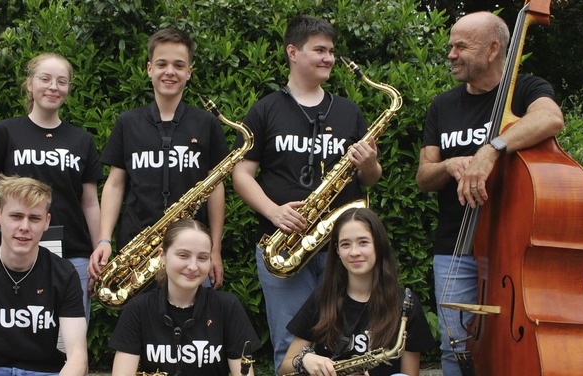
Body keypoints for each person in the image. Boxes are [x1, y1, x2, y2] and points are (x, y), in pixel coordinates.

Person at [231, 15, 383, 372]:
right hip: (284, 243)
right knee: (289, 346)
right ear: (293, 52)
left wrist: (370, 163)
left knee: (346, 342)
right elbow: (241, 174)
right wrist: (273, 212)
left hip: (340, 245)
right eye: (320, 50)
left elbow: (371, 179)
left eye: (331, 51)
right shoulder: (265, 109)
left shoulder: (349, 111)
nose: (329, 58)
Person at [415, 11, 564, 376]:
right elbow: (423, 176)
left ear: (494, 48)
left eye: (461, 46)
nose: (451, 53)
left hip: (512, 250)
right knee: (455, 352)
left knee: (517, 346)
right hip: (455, 247)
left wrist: (492, 148)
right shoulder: (442, 105)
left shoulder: (526, 90)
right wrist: (449, 165)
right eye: (451, 45)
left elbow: (551, 119)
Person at [89, 27, 227, 290]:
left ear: (189, 72)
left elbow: (216, 187)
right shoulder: (127, 122)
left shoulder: (207, 123)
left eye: (179, 65)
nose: (170, 72)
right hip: (136, 253)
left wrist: (215, 250)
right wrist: (104, 240)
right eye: (162, 64)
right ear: (149, 68)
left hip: (193, 252)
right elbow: (115, 184)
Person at [0, 52, 103, 322]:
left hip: (73, 256)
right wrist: (14, 217)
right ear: (30, 84)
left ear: (68, 89)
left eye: (62, 81)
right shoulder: (6, 131)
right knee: (20, 331)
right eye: (45, 79)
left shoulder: (82, 140)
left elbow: (90, 202)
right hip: (17, 252)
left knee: (67, 342)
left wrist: (98, 249)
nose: (53, 87)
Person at [0, 175, 88, 375]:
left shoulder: (64, 273)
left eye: (34, 218)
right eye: (16, 216)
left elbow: (78, 356)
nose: (24, 227)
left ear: (46, 222)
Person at [278, 208, 435, 376]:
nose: (354, 252)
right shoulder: (321, 297)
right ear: (337, 250)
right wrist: (303, 360)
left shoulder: (405, 303)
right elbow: (284, 368)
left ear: (379, 245)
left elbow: (409, 374)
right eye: (345, 244)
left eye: (363, 242)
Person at [109, 218, 261, 375]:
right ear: (162, 256)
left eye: (202, 258)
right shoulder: (138, 309)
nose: (193, 266)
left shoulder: (227, 306)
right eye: (183, 255)